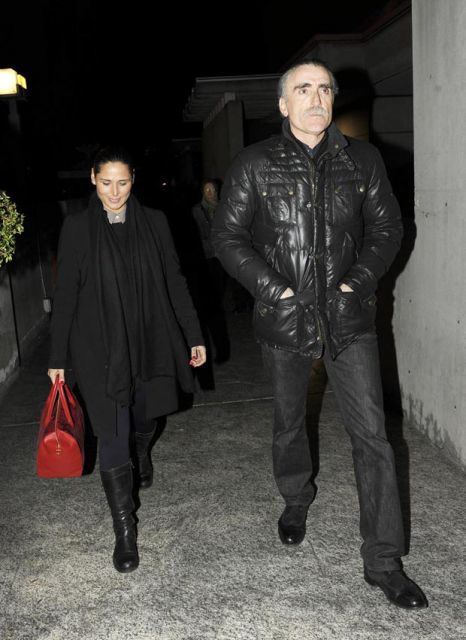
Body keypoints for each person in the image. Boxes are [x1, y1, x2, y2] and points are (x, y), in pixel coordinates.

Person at [211, 58, 428, 609]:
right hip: (284, 320)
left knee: (373, 437)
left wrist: (358, 281)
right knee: (289, 422)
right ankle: (295, 496)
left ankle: (383, 561)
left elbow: (388, 227)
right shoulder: (255, 162)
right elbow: (228, 237)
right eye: (303, 89)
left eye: (324, 89)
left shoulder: (363, 159)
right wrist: (276, 290)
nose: (316, 99)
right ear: (284, 104)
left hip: (350, 320)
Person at [48, 146, 206, 573]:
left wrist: (193, 334)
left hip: (148, 339)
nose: (114, 192)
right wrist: (57, 356)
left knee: (144, 417)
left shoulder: (154, 222)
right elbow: (65, 295)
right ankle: (124, 531)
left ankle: (143, 448)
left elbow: (174, 279)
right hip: (97, 350)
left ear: (133, 179)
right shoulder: (77, 227)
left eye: (122, 183)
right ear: (92, 179)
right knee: (112, 433)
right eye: (106, 183)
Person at [191, 179, 230, 364]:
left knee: (217, 301)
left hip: (223, 258)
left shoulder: (223, 209)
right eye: (206, 189)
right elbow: (198, 235)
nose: (209, 193)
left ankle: (222, 348)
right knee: (211, 303)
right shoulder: (197, 210)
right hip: (206, 260)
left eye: (212, 189)